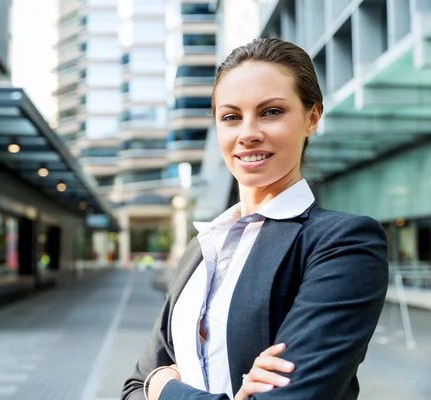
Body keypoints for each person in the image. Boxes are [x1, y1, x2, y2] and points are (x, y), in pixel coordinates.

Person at [121, 38, 388, 400]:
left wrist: (163, 386)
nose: (248, 133)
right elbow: (132, 387)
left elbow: (150, 381)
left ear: (312, 117)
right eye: (231, 117)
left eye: (271, 112)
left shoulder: (343, 243)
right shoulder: (201, 249)